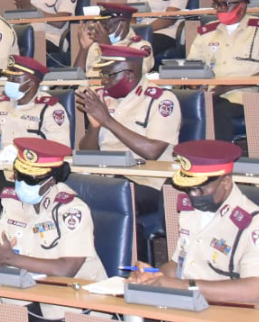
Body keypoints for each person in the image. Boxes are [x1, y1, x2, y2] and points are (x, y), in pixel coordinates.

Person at [128, 140, 259, 305]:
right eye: (189, 188)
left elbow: (254, 292)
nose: (193, 195)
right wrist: (153, 275)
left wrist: (182, 286)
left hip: (237, 313)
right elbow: (180, 265)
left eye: (200, 189)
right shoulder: (192, 211)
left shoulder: (254, 224)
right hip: (194, 306)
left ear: (225, 182)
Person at [0, 138, 106, 318]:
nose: (21, 183)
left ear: (51, 181)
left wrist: (11, 258)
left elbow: (66, 270)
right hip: (23, 299)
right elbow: (0, 258)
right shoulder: (12, 203)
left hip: (71, 306)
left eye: (30, 179)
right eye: (19, 176)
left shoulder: (72, 210)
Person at [77, 44, 182, 240]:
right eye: (103, 75)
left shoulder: (162, 100)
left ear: (130, 75)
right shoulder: (103, 98)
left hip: (146, 180)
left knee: (110, 198)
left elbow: (152, 151)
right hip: (107, 175)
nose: (103, 81)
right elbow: (86, 152)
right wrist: (95, 127)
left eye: (109, 75)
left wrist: (107, 120)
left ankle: (129, 261)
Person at [188, 0, 259, 76]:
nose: (221, 8)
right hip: (209, 88)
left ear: (242, 6)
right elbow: (193, 66)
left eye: (226, 4)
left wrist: (230, 86)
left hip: (246, 89)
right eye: (218, 4)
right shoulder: (208, 31)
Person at [0, 57, 70, 151]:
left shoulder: (50, 110)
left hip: (32, 163)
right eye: (9, 77)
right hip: (1, 163)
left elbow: (59, 150)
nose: (9, 82)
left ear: (31, 83)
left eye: (15, 79)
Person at [74, 2, 155, 77]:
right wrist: (83, 50)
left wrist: (107, 47)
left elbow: (129, 76)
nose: (101, 29)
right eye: (100, 24)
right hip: (90, 90)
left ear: (122, 24)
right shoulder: (95, 45)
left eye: (106, 26)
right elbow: (74, 79)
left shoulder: (141, 47)